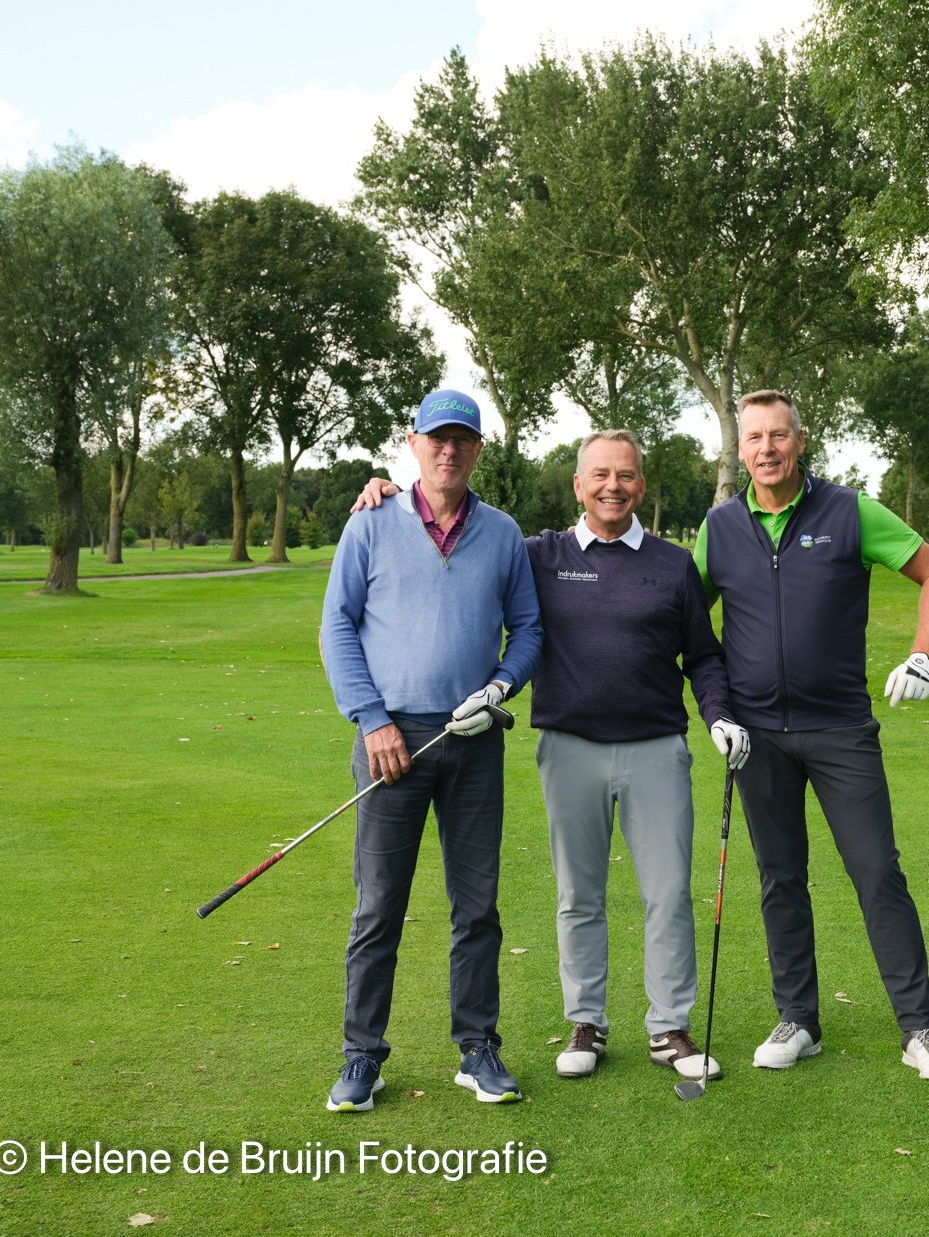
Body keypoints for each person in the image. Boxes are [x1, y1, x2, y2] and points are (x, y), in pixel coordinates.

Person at [354, 429, 749, 1084]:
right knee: (578, 895)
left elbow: (703, 657)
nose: (612, 487)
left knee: (668, 894)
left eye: (625, 475)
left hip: (656, 748)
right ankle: (586, 1023)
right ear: (577, 485)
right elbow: (460, 519)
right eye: (600, 475)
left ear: (640, 486)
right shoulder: (540, 553)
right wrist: (390, 491)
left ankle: (669, 1028)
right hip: (568, 748)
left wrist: (720, 716)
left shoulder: (673, 564)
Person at [693, 389, 929, 1080]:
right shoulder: (719, 527)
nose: (766, 449)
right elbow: (689, 626)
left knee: (876, 870)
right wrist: (716, 711)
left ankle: (919, 1027)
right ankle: (798, 1019)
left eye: (778, 435)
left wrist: (923, 656)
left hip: (840, 727)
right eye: (754, 438)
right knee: (779, 877)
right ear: (740, 449)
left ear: (800, 441)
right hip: (756, 736)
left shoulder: (849, 511)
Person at [320, 388, 543, 1112]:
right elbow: (337, 626)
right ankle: (362, 1056)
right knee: (379, 907)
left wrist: (501, 686)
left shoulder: (502, 533)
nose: (449, 450)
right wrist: (372, 720)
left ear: (477, 450)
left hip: (472, 738)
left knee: (476, 907)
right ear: (413, 442)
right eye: (437, 438)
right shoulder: (370, 522)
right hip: (390, 742)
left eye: (463, 440)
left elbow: (529, 629)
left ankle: (478, 1048)